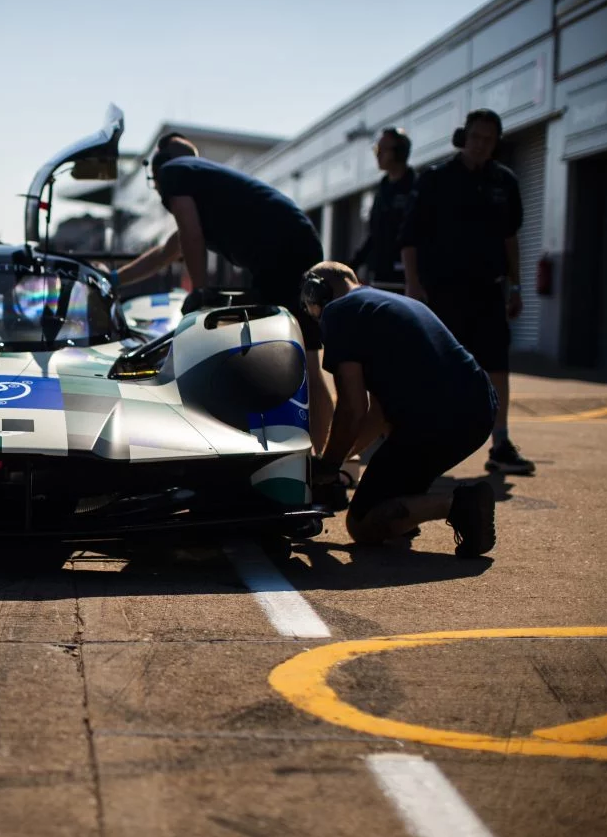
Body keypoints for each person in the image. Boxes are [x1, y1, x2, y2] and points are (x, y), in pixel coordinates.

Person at [113, 133, 334, 452]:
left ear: (158, 170)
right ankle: (322, 460)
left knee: (296, 361)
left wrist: (200, 288)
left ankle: (313, 460)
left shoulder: (173, 172)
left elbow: (191, 234)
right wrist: (115, 278)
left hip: (281, 253)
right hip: (296, 242)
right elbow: (168, 251)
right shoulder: (206, 184)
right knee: (308, 355)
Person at [303, 261, 498, 558]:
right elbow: (378, 415)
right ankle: (407, 511)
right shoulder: (390, 303)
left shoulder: (338, 312)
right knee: (395, 442)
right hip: (479, 410)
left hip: (434, 421)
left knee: (361, 524)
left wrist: (327, 466)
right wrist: (338, 460)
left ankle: (460, 505)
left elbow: (353, 408)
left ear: (316, 291)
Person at [400, 108, 534, 475]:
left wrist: (516, 285)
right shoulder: (436, 179)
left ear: (496, 143)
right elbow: (410, 237)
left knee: (497, 368)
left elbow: (510, 238)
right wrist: (413, 284)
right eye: (475, 137)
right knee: (437, 368)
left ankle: (501, 444)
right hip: (443, 293)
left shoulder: (504, 182)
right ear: (464, 136)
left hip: (489, 293)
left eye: (489, 139)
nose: (481, 145)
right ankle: (426, 443)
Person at [350, 127, 415, 289]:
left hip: (405, 280)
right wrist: (353, 265)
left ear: (400, 152)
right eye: (376, 149)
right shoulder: (382, 190)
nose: (377, 154)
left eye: (382, 149)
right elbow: (375, 234)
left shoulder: (417, 188)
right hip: (380, 275)